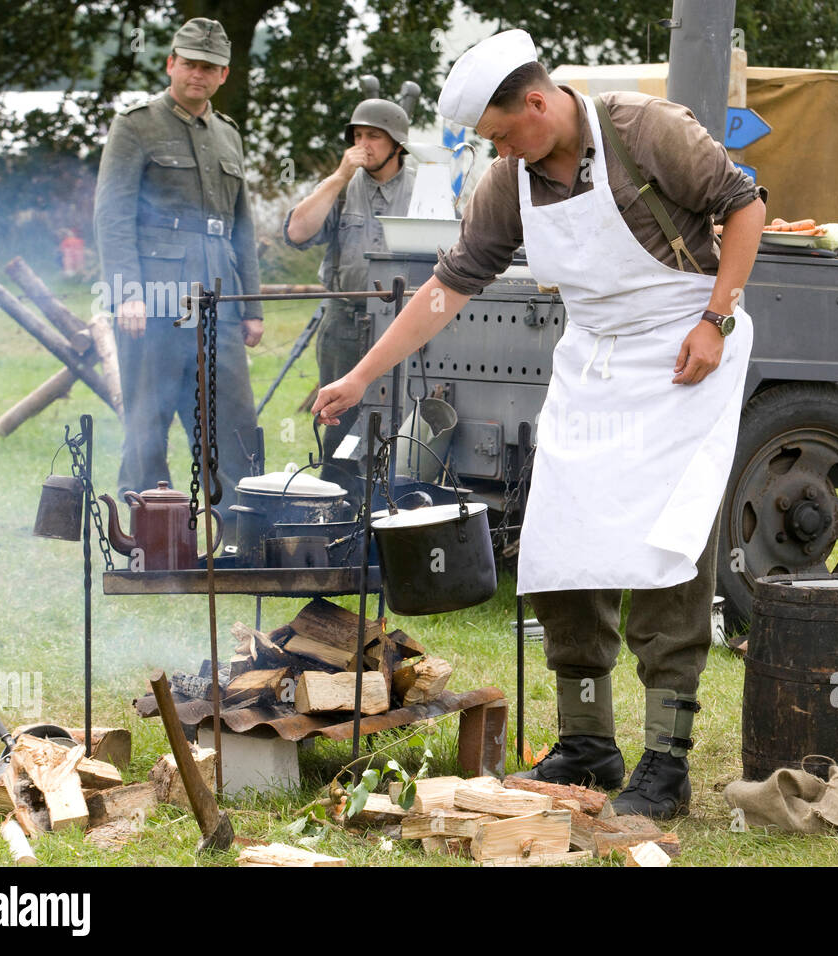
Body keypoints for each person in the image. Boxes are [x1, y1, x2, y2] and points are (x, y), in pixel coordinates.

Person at [313, 30, 765, 819]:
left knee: (668, 557)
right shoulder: (509, 182)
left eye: (500, 133)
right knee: (559, 550)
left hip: (682, 354)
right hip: (592, 367)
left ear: (535, 101)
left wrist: (715, 320)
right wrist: (359, 374)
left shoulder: (645, 130)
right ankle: (588, 743)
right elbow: (446, 290)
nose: (501, 152)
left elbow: (746, 205)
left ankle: (666, 761)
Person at [94, 17, 262, 512]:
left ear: (224, 74)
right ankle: (150, 536)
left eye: (209, 67)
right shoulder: (136, 125)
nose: (198, 74)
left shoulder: (228, 134)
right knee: (149, 418)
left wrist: (251, 306)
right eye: (189, 64)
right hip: (154, 302)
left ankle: (239, 528)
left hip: (219, 301)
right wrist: (127, 293)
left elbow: (242, 225)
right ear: (171, 64)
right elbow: (113, 214)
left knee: (234, 420)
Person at [283, 95, 415, 487]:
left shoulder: (426, 188)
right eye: (357, 135)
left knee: (400, 417)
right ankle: (337, 503)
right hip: (343, 321)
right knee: (337, 420)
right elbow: (296, 232)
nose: (363, 145)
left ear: (397, 143)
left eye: (374, 136)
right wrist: (338, 177)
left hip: (403, 322)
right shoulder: (340, 188)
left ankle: (393, 500)